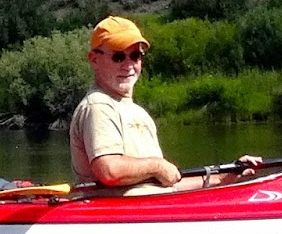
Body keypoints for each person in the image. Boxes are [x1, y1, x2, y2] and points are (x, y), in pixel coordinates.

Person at [70, 15, 258, 193]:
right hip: (121, 216)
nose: (128, 65)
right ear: (94, 59)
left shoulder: (138, 112)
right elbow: (109, 171)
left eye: (135, 56)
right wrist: (157, 166)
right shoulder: (98, 106)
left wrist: (222, 178)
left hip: (152, 209)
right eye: (118, 57)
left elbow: (165, 183)